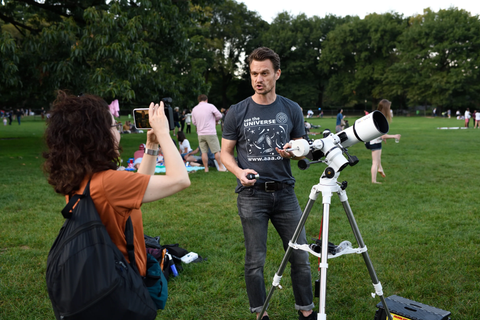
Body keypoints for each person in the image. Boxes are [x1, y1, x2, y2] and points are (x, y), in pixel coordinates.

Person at [43, 91, 190, 282]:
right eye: (115, 125)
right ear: (99, 135)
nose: (118, 130)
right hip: (125, 281)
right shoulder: (109, 183)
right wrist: (163, 134)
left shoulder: (80, 178)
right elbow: (180, 179)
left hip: (102, 275)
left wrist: (152, 146)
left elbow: (135, 190)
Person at [221, 47, 316, 320]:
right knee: (255, 261)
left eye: (264, 73)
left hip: (286, 194)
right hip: (252, 196)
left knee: (300, 255)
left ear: (277, 73)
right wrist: (239, 172)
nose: (258, 78)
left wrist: (295, 150)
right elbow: (225, 153)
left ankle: (306, 311)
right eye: (253, 73)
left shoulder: (291, 108)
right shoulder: (238, 111)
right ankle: (260, 313)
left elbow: (304, 146)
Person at [365, 99, 401, 184]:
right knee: (374, 162)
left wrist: (383, 138)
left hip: (370, 140)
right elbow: (382, 135)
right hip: (374, 141)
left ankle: (380, 168)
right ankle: (374, 180)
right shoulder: (381, 117)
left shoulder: (376, 114)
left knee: (378, 158)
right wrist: (394, 136)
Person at [191, 94, 227, 172]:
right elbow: (219, 115)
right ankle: (221, 167)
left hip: (200, 133)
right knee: (216, 150)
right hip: (210, 132)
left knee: (204, 152)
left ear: (199, 100)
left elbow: (194, 122)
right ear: (206, 100)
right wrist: (215, 120)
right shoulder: (210, 106)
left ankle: (206, 168)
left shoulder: (194, 109)